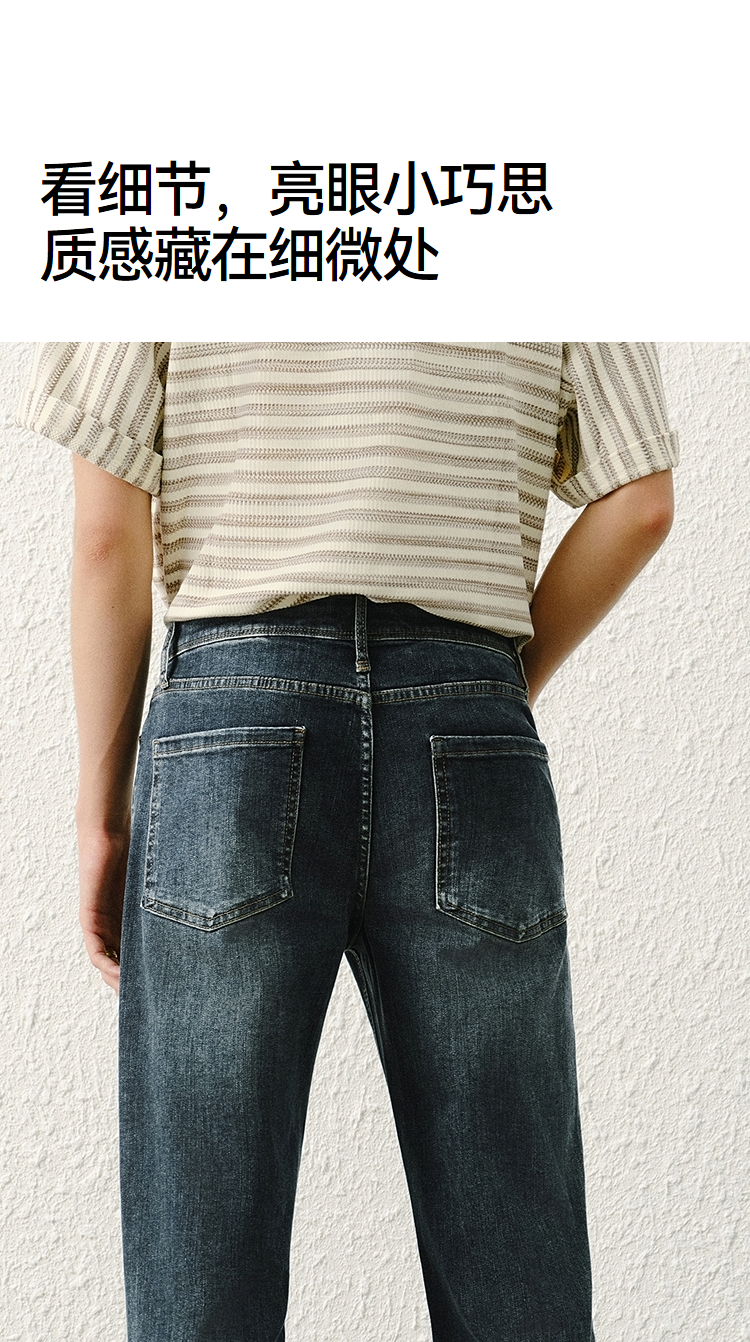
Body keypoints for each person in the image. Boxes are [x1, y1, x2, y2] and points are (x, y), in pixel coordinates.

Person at [18, 342, 677, 1342]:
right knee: (515, 1253)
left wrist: (100, 812)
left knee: (203, 1270)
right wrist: (485, 693)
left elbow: (110, 532)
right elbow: (641, 501)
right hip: (469, 719)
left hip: (231, 727)